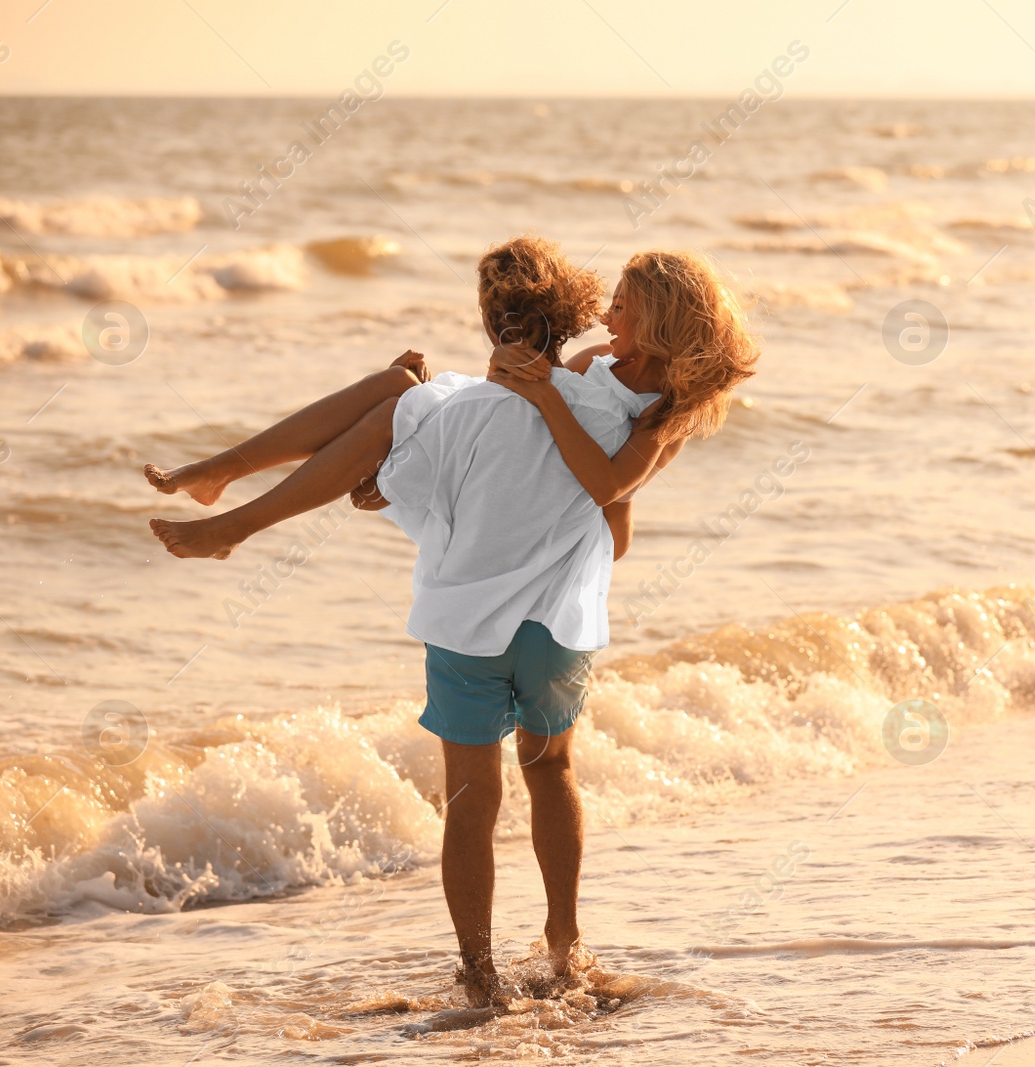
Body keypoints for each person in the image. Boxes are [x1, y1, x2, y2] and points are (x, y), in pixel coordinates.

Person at [144, 239, 759, 1009]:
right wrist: (483, 426)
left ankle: (529, 956)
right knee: (529, 777)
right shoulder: (621, 377)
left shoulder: (657, 411)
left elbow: (596, 476)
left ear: (660, 320)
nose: (608, 314)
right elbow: (555, 467)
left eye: (624, 306)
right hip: (529, 603)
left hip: (512, 611)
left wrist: (527, 402)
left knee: (521, 777)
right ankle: (527, 958)